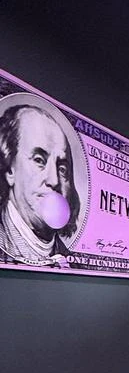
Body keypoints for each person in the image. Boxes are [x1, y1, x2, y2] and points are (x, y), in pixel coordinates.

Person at [0, 102, 81, 266]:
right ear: (9, 169)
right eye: (39, 160)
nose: (54, 180)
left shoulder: (73, 263)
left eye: (62, 168)